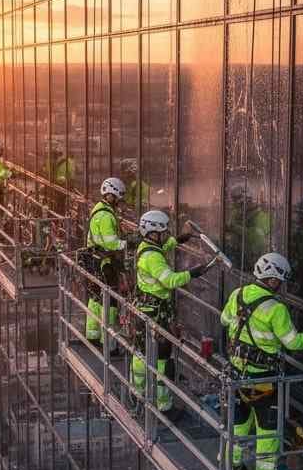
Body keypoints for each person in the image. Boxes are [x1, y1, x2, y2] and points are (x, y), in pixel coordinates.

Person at [220, 252, 303, 470]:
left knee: (239, 425)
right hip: (263, 381)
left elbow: (224, 320)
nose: (281, 286)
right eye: (281, 282)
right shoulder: (276, 309)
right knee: (268, 432)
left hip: (236, 375)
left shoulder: (238, 295)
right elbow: (294, 342)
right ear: (274, 280)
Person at [132, 209, 210, 419]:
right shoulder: (153, 258)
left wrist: (177, 240)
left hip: (146, 311)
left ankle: (137, 395)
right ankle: (164, 406)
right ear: (153, 233)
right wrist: (193, 273)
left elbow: (163, 247)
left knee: (140, 353)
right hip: (157, 315)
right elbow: (170, 280)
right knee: (163, 359)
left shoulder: (146, 247)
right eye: (163, 233)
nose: (165, 236)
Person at [84, 177, 129, 350]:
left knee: (95, 298)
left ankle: (93, 336)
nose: (119, 202)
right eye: (117, 198)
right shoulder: (105, 215)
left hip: (94, 260)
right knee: (109, 303)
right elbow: (110, 242)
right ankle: (108, 345)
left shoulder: (100, 209)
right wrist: (126, 243)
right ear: (110, 195)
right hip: (104, 262)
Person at [224, 184, 273, 270]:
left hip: (253, 260)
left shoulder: (260, 215)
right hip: (237, 256)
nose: (237, 204)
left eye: (239, 200)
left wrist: (234, 228)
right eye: (234, 200)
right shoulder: (236, 212)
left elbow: (258, 236)